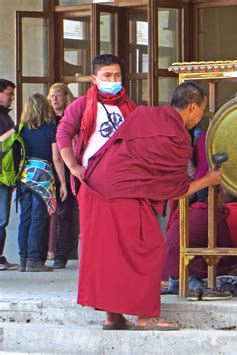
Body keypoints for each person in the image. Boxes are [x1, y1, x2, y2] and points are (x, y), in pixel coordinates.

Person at [69, 82, 222, 331]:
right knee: (149, 248)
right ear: (193, 107)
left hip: (94, 186)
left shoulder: (145, 113)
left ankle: (113, 317)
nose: (200, 117)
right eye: (202, 111)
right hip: (120, 193)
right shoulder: (177, 136)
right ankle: (145, 316)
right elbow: (179, 189)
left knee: (108, 255)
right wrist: (209, 180)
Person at [0, 94, 67, 272]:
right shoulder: (51, 129)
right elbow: (57, 159)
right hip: (43, 177)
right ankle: (35, 260)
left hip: (24, 175)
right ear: (45, 108)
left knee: (25, 217)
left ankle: (23, 259)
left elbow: (1, 140)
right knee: (39, 217)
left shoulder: (20, 128)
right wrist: (63, 183)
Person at [56, 54, 135, 193]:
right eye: (107, 75)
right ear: (94, 79)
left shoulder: (128, 105)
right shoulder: (82, 104)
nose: (113, 80)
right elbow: (63, 133)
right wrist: (73, 166)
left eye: (117, 75)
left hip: (124, 176)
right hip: (92, 176)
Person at [162, 187, 236, 285]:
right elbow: (228, 255)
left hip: (166, 274)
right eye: (221, 197)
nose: (223, 203)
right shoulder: (214, 218)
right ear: (212, 197)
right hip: (189, 277)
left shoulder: (184, 212)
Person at [47, 83, 77, 269]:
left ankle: (61, 255)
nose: (54, 99)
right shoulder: (47, 120)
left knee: (66, 214)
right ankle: (42, 253)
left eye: (57, 95)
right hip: (49, 169)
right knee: (46, 213)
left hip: (69, 168)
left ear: (66, 96)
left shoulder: (71, 118)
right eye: (51, 96)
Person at [0, 79, 18, 270]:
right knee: (1, 219)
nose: (12, 98)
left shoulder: (5, 116)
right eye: (9, 94)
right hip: (1, 174)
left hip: (7, 173)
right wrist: (15, 130)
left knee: (3, 219)